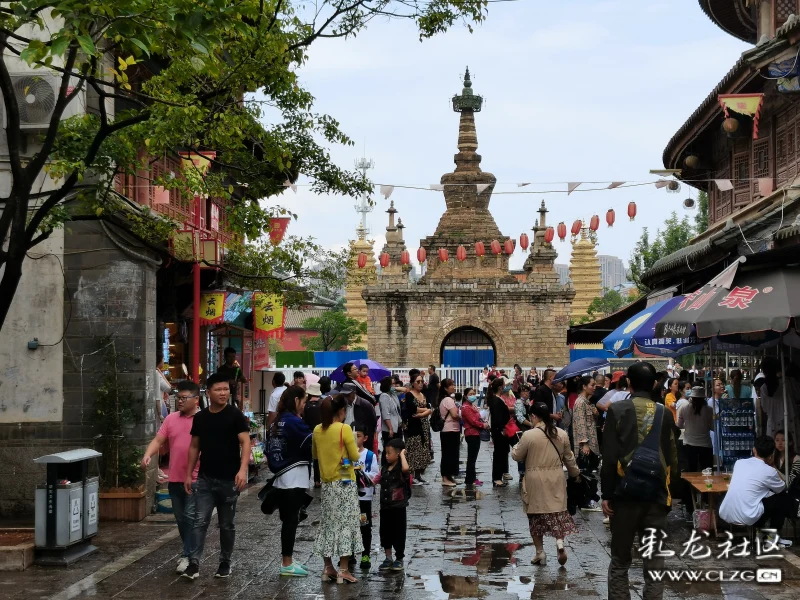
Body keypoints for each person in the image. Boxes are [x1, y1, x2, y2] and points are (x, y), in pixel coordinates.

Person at [601, 362, 679, 600]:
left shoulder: (617, 410)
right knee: (654, 564)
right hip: (655, 497)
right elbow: (673, 458)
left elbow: (609, 457)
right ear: (654, 384)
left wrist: (606, 494)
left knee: (620, 561)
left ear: (628, 383)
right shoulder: (664, 413)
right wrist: (669, 492)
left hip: (624, 498)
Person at [183, 373, 251, 580]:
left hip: (229, 479)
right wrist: (188, 474)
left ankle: (225, 562)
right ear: (208, 392)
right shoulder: (201, 417)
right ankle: (193, 564)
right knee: (199, 521)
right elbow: (195, 446)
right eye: (218, 389)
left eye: (225, 389)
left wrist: (242, 470)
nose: (223, 393)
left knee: (226, 524)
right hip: (205, 478)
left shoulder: (235, 415)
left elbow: (245, 442)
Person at [141, 380, 200, 574]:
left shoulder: (204, 420)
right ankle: (190, 553)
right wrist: (148, 454)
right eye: (178, 398)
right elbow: (158, 440)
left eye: (184, 398)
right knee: (181, 519)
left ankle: (188, 556)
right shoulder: (171, 419)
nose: (180, 402)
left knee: (190, 519)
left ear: (196, 400)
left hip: (196, 478)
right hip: (174, 478)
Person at [512, 401, 580, 566]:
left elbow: (517, 456)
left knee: (536, 516)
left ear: (534, 416)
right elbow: (569, 458)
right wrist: (575, 474)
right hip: (556, 478)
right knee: (556, 513)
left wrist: (515, 446)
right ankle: (559, 543)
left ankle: (540, 552)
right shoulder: (562, 434)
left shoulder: (529, 435)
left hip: (535, 480)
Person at [312, 394, 363, 585]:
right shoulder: (344, 429)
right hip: (344, 482)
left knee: (328, 523)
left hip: (327, 484)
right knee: (346, 524)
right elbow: (355, 456)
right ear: (341, 411)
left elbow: (315, 455)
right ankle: (343, 570)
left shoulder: (317, 429)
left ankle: (328, 567)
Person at [267, 386, 313, 577]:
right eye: (303, 402)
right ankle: (286, 563)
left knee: (289, 520)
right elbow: (311, 443)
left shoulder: (278, 421)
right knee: (290, 521)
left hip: (281, 477)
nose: (304, 406)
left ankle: (289, 560)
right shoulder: (295, 422)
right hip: (294, 477)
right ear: (296, 402)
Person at [719, 435, 792, 546]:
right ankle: (772, 538)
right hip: (747, 516)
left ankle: (761, 532)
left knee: (761, 497)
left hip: (726, 512)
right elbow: (782, 488)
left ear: (754, 450)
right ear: (771, 455)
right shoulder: (769, 471)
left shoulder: (739, 463)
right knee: (781, 498)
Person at [677, 387, 714, 515]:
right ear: (703, 398)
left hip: (689, 446)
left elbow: (680, 426)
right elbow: (712, 427)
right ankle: (706, 501)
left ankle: (689, 505)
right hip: (705, 445)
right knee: (707, 475)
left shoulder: (684, 408)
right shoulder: (709, 410)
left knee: (690, 476)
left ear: (692, 397)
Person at [378, 438, 411, 572]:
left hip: (398, 507)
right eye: (385, 453)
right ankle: (388, 557)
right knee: (385, 533)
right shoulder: (385, 468)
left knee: (399, 533)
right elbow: (377, 479)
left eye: (389, 453)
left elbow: (406, 468)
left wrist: (403, 454)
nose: (386, 455)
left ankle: (399, 558)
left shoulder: (401, 469)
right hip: (385, 506)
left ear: (397, 454)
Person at [353, 422, 380, 570]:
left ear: (365, 438)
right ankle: (349, 554)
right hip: (350, 498)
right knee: (350, 525)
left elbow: (375, 475)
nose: (355, 439)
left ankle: (365, 554)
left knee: (364, 526)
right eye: (353, 436)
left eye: (358, 436)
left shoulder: (369, 456)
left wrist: (361, 475)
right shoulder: (347, 454)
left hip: (364, 498)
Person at [403, 373, 432, 484]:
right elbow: (412, 408)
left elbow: (429, 407)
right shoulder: (410, 395)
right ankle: (411, 476)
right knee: (413, 450)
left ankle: (419, 475)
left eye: (422, 381)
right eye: (418, 382)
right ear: (413, 383)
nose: (420, 384)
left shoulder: (423, 395)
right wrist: (426, 411)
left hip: (424, 425)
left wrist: (426, 411)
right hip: (414, 425)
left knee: (423, 450)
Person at [461, 388, 488, 487]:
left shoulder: (472, 406)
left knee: (473, 458)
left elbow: (477, 417)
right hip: (471, 433)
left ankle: (472, 478)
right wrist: (483, 425)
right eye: (470, 394)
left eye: (473, 393)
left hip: (476, 433)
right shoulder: (466, 408)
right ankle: (470, 479)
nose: (472, 395)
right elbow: (473, 421)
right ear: (465, 396)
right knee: (472, 458)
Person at [487, 378, 510, 487]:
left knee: (502, 453)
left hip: (501, 430)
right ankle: (496, 478)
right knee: (498, 455)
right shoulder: (496, 400)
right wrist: (502, 429)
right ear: (500, 387)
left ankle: (499, 476)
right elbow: (497, 417)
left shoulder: (498, 399)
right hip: (499, 431)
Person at [342, 381, 377, 451]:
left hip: (359, 439)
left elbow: (372, 424)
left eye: (348, 395)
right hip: (344, 436)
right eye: (344, 395)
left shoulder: (365, 405)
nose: (346, 397)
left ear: (354, 393)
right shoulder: (342, 404)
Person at [438, 378, 460, 487]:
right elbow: (455, 415)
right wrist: (462, 417)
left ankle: (449, 476)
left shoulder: (447, 399)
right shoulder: (448, 400)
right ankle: (445, 477)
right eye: (451, 385)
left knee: (452, 454)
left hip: (452, 430)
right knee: (448, 454)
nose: (453, 386)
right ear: (446, 388)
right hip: (449, 430)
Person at [378, 376, 403, 466]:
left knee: (398, 449)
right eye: (391, 384)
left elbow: (405, 389)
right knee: (389, 450)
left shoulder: (392, 395)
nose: (394, 386)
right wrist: (390, 428)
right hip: (390, 428)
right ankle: (386, 468)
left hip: (397, 426)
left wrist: (394, 388)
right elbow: (386, 414)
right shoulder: (384, 396)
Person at [572, 375, 600, 456]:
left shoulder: (587, 402)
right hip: (586, 447)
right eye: (592, 385)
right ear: (584, 386)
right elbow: (581, 425)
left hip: (592, 443)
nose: (594, 387)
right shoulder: (580, 403)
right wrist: (585, 443)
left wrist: (596, 414)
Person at [303, 382, 324, 487]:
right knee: (318, 457)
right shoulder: (323, 404)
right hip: (321, 433)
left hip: (307, 433)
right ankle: (317, 480)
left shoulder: (305, 405)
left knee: (307, 457)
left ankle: (306, 480)